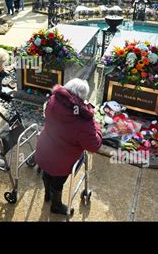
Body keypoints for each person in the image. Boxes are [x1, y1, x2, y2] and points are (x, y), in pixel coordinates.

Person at [35, 79, 102, 215]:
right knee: (58, 181)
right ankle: (56, 205)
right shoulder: (84, 121)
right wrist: (97, 125)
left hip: (44, 149)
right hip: (63, 161)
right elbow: (94, 146)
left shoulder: (53, 100)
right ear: (82, 97)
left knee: (47, 171)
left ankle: (47, 193)